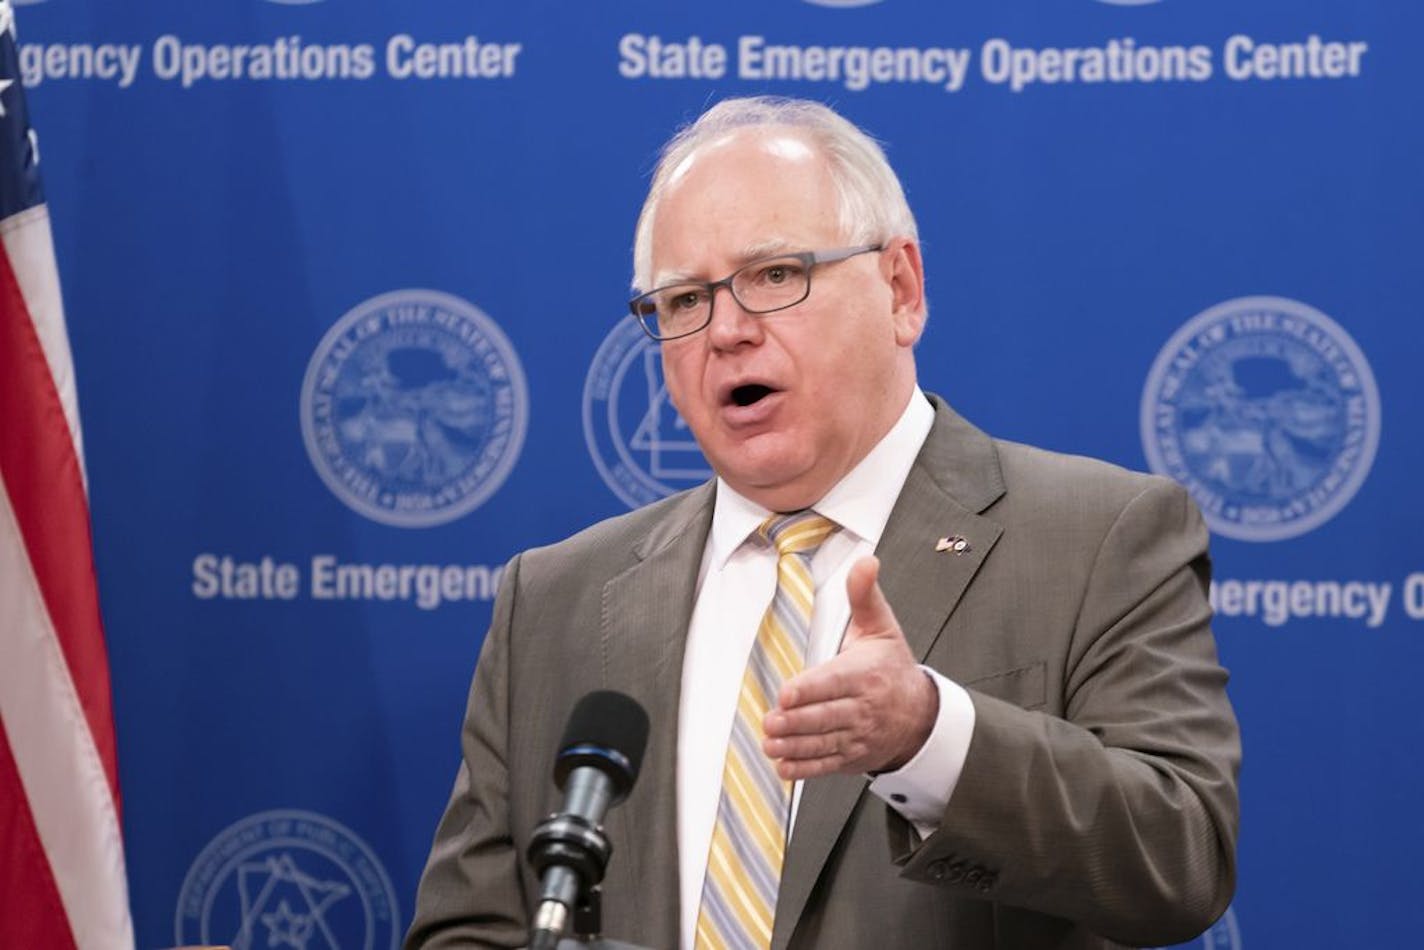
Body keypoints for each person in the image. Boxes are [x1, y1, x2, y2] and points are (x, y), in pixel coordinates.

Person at [406, 96, 1240, 950]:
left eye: (775, 276)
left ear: (901, 289)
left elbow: (1181, 857)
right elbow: (468, 930)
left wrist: (929, 735)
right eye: (685, 299)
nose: (726, 331)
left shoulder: (1097, 537)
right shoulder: (552, 600)